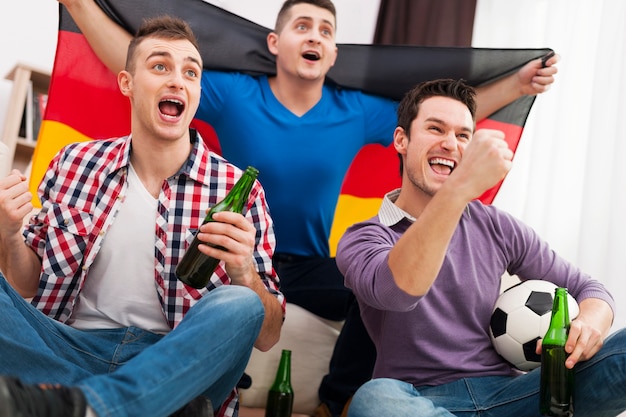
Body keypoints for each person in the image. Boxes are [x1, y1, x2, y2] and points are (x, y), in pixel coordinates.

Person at [55, 1, 560, 415]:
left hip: (310, 264)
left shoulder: (354, 112)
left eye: (324, 30)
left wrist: (517, 85)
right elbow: (144, 64)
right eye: (302, 26)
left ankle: (333, 403)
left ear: (333, 52)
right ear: (276, 43)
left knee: (376, 286)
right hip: (240, 253)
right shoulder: (233, 94)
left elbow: (441, 120)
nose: (314, 36)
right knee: (227, 301)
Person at [0, 15, 284, 417]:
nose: (177, 80)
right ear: (127, 84)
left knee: (241, 305)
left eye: (190, 72)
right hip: (67, 347)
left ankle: (88, 404)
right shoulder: (74, 162)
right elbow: (26, 281)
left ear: (198, 91)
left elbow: (268, 335)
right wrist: (9, 233)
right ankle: (139, 405)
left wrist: (244, 274)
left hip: (175, 362)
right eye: (159, 66)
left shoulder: (240, 191)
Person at [335, 78, 626, 417]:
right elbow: (399, 292)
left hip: (513, 394)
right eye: (435, 128)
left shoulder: (496, 225)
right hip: (421, 400)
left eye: (462, 136)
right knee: (373, 399)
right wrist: (456, 191)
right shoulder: (364, 237)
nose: (450, 144)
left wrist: (589, 323)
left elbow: (590, 289)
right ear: (401, 139)